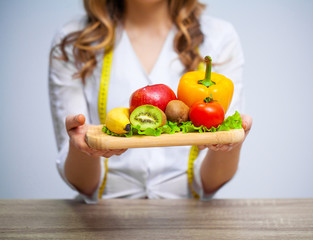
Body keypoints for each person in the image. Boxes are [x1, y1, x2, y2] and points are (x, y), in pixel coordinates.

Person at [49, 0, 252, 203]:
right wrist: (83, 147)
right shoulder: (73, 41)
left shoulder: (220, 37)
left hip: (189, 215)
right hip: (103, 215)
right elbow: (83, 184)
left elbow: (211, 183)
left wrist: (229, 145)